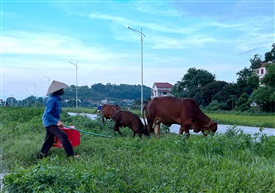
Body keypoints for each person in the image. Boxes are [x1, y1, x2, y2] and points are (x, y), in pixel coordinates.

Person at [37, 80, 79, 159]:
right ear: (57, 91)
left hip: (52, 122)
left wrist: (58, 121)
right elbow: (47, 114)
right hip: (49, 122)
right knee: (63, 136)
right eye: (62, 89)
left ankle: (40, 156)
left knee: (49, 140)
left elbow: (55, 112)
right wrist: (57, 121)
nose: (63, 91)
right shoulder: (52, 100)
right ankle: (71, 156)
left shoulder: (57, 99)